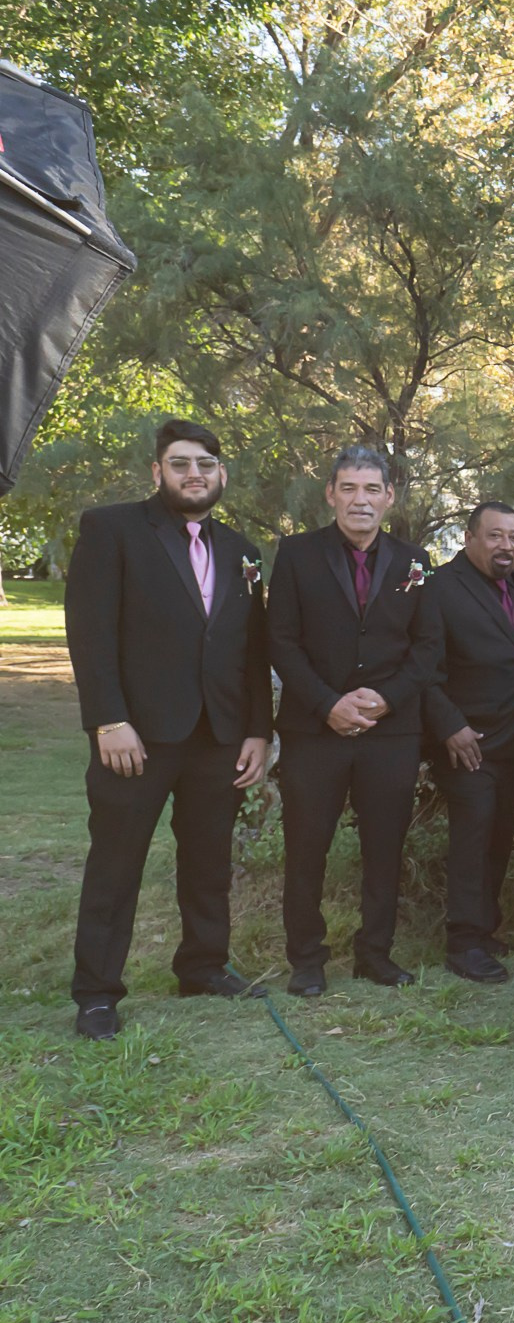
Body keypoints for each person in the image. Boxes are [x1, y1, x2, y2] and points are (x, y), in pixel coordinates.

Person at [65, 419, 272, 1036]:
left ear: (221, 474)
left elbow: (251, 648)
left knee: (208, 861)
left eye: (206, 464)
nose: (194, 474)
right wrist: (108, 720)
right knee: (116, 862)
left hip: (218, 737)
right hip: (137, 736)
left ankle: (203, 968)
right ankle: (97, 992)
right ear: (158, 472)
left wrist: (258, 729)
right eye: (180, 464)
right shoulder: (112, 529)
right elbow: (90, 632)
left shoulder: (242, 550)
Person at [267, 445, 437, 996]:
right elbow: (282, 642)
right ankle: (307, 960)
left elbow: (429, 647)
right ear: (330, 494)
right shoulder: (295, 554)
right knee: (306, 845)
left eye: (371, 490)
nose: (359, 500)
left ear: (389, 497)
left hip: (391, 732)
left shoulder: (416, 561)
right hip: (315, 729)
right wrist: (327, 704)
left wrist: (385, 700)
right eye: (349, 488)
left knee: (385, 846)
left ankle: (375, 954)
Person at [420, 502, 514, 984]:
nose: (506, 546)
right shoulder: (439, 590)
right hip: (466, 740)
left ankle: (485, 928)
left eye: (513, 537)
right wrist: (449, 725)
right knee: (472, 841)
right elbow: (425, 669)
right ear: (469, 538)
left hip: (513, 739)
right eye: (495, 536)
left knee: (497, 839)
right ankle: (464, 942)